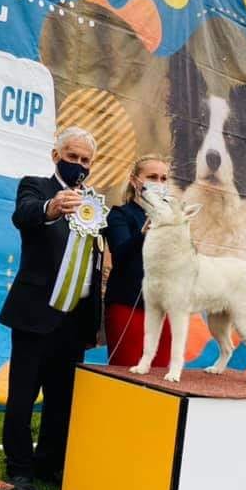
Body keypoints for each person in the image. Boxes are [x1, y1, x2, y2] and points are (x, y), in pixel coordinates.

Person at [0, 127, 103, 490]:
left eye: (85, 160)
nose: (79, 164)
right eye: (72, 156)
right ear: (56, 155)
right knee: (23, 395)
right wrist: (51, 207)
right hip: (36, 313)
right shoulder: (36, 186)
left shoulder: (95, 202)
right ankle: (19, 468)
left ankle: (49, 462)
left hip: (75, 317)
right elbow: (24, 215)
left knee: (62, 398)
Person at [103, 154, 172, 367]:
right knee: (127, 371)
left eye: (163, 178)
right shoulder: (120, 215)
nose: (159, 183)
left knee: (159, 375)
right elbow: (120, 254)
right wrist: (143, 234)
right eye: (152, 177)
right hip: (128, 305)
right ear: (134, 181)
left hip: (164, 309)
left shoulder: (172, 217)